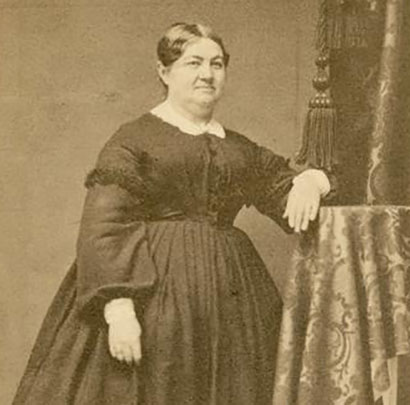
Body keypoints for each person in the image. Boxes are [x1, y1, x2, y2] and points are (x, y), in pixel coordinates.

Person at [13, 22, 334, 405]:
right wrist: (118, 311)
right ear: (164, 72)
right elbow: (105, 226)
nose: (207, 74)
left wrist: (313, 182)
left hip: (229, 303)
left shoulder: (237, 148)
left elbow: (284, 191)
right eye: (193, 62)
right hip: (154, 300)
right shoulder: (134, 139)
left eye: (217, 64)